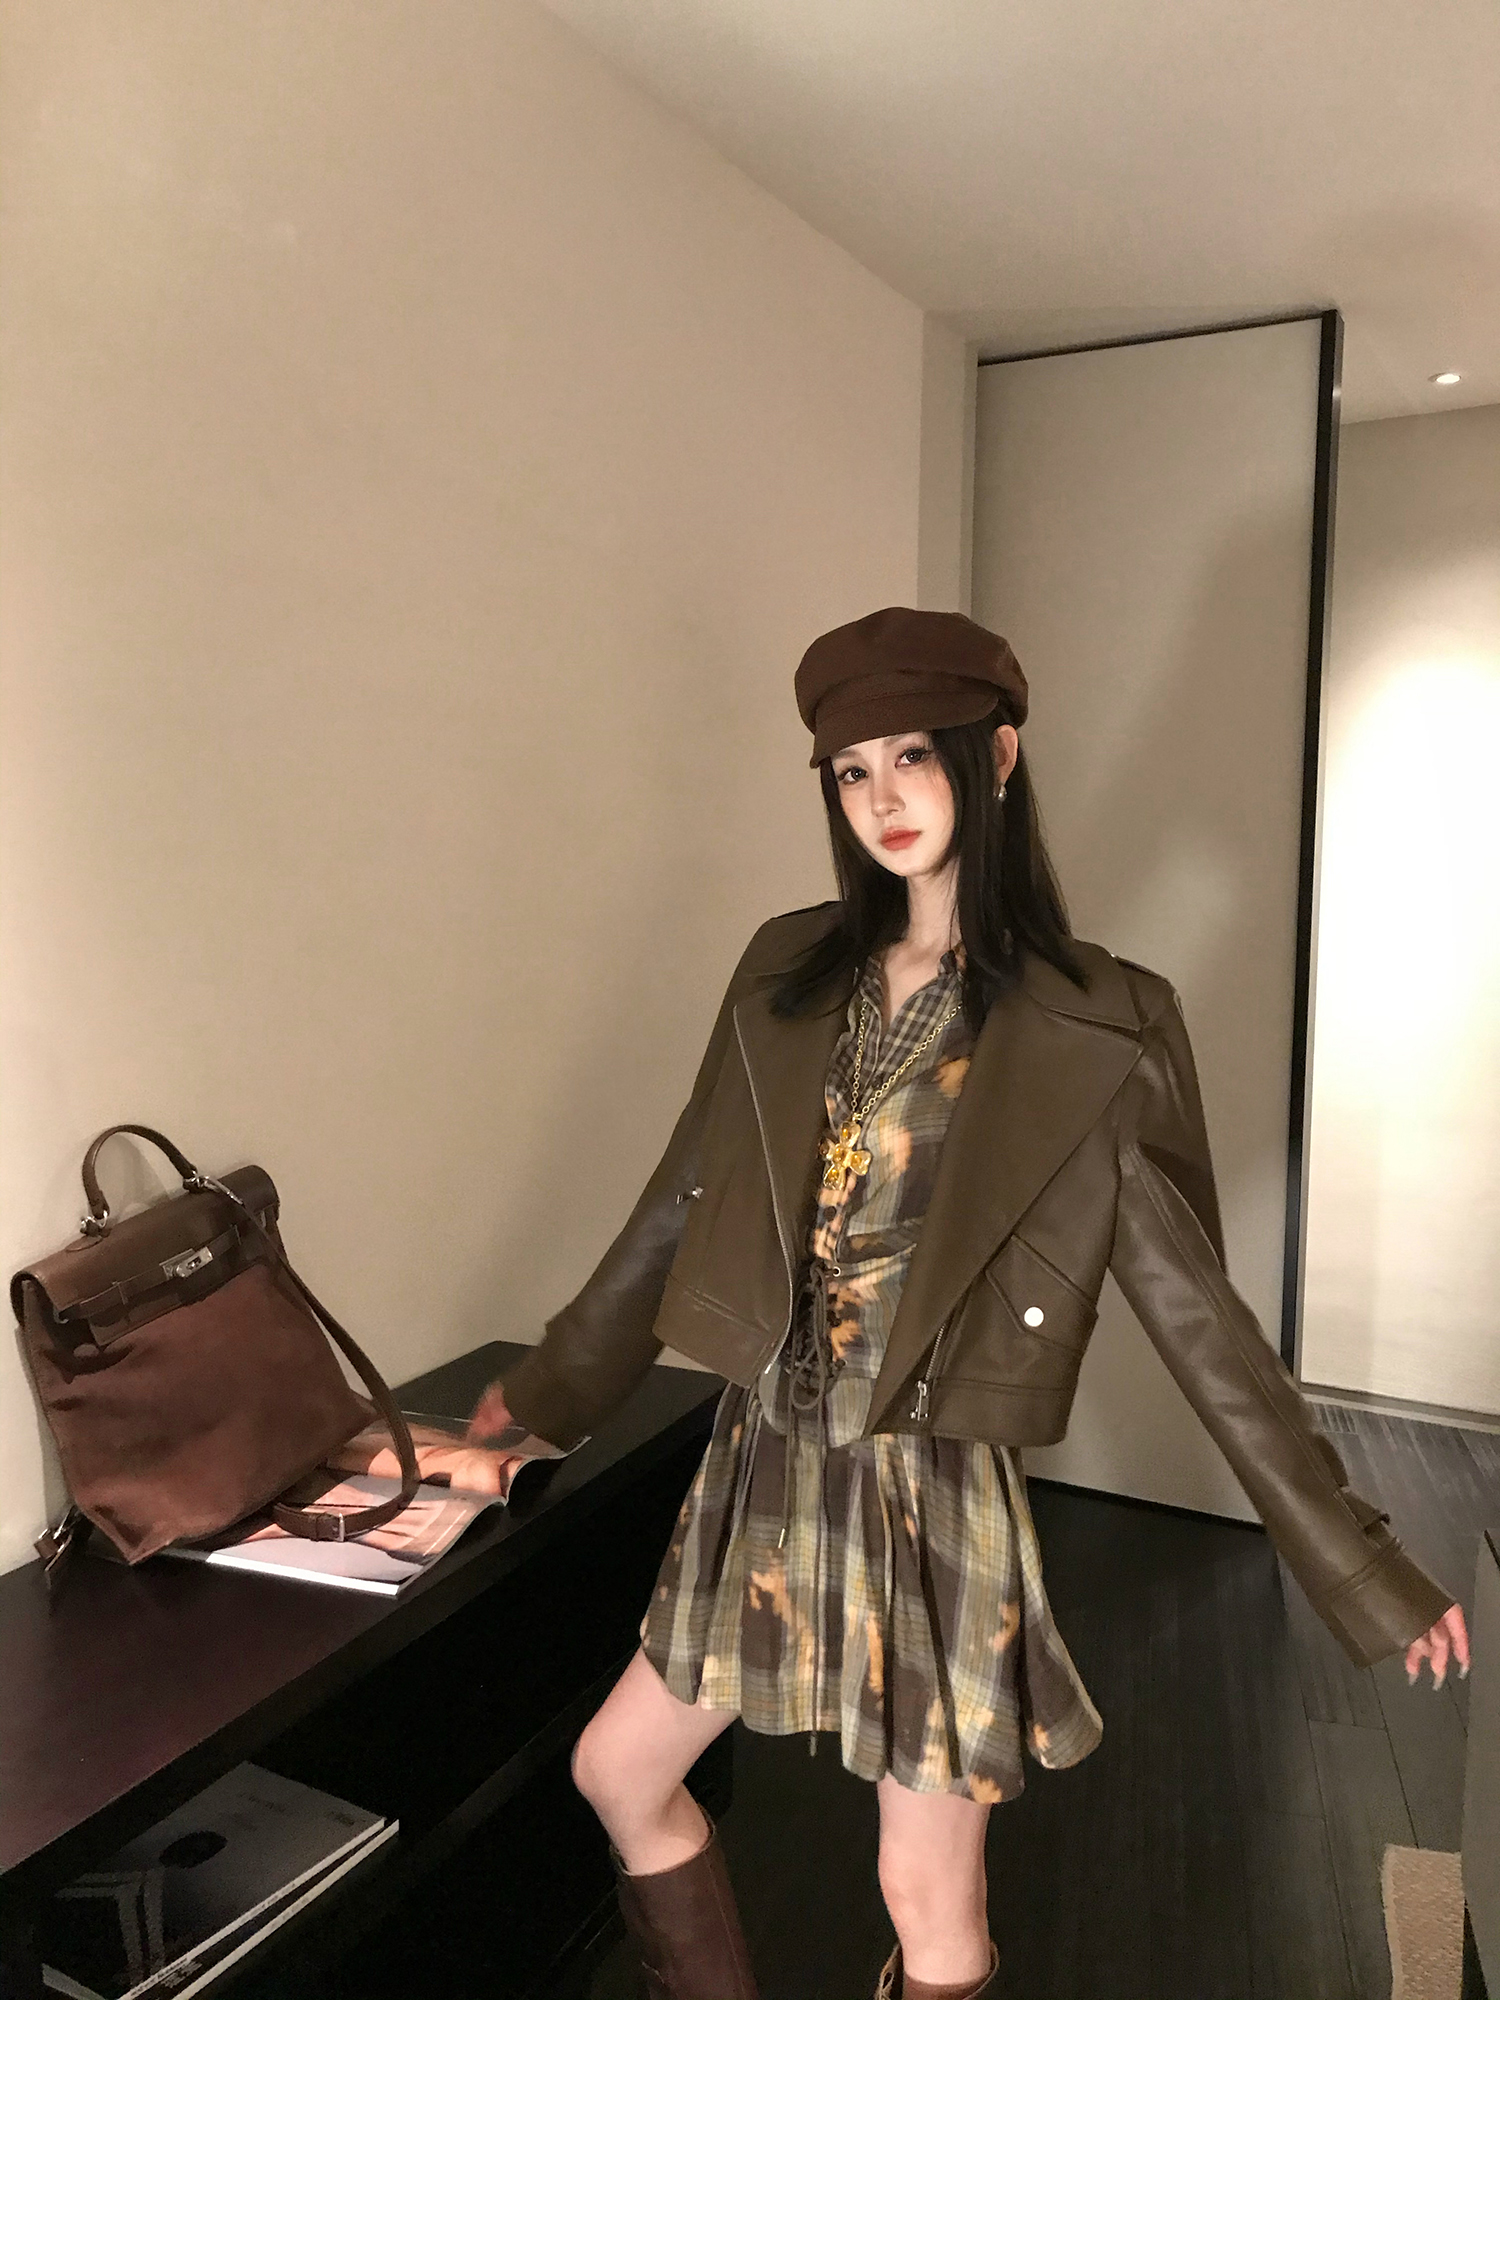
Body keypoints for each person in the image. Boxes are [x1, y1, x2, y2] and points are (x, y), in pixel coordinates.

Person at [352, 606, 1469, 2001]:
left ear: (995, 758)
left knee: (926, 1892)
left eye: (914, 758)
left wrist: (1359, 1561)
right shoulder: (783, 973)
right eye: (851, 770)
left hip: (929, 1485)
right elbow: (679, 1204)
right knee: (617, 1771)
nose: (882, 796)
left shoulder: (1095, 1021)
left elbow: (1203, 1318)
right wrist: (539, 1406)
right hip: (765, 1465)